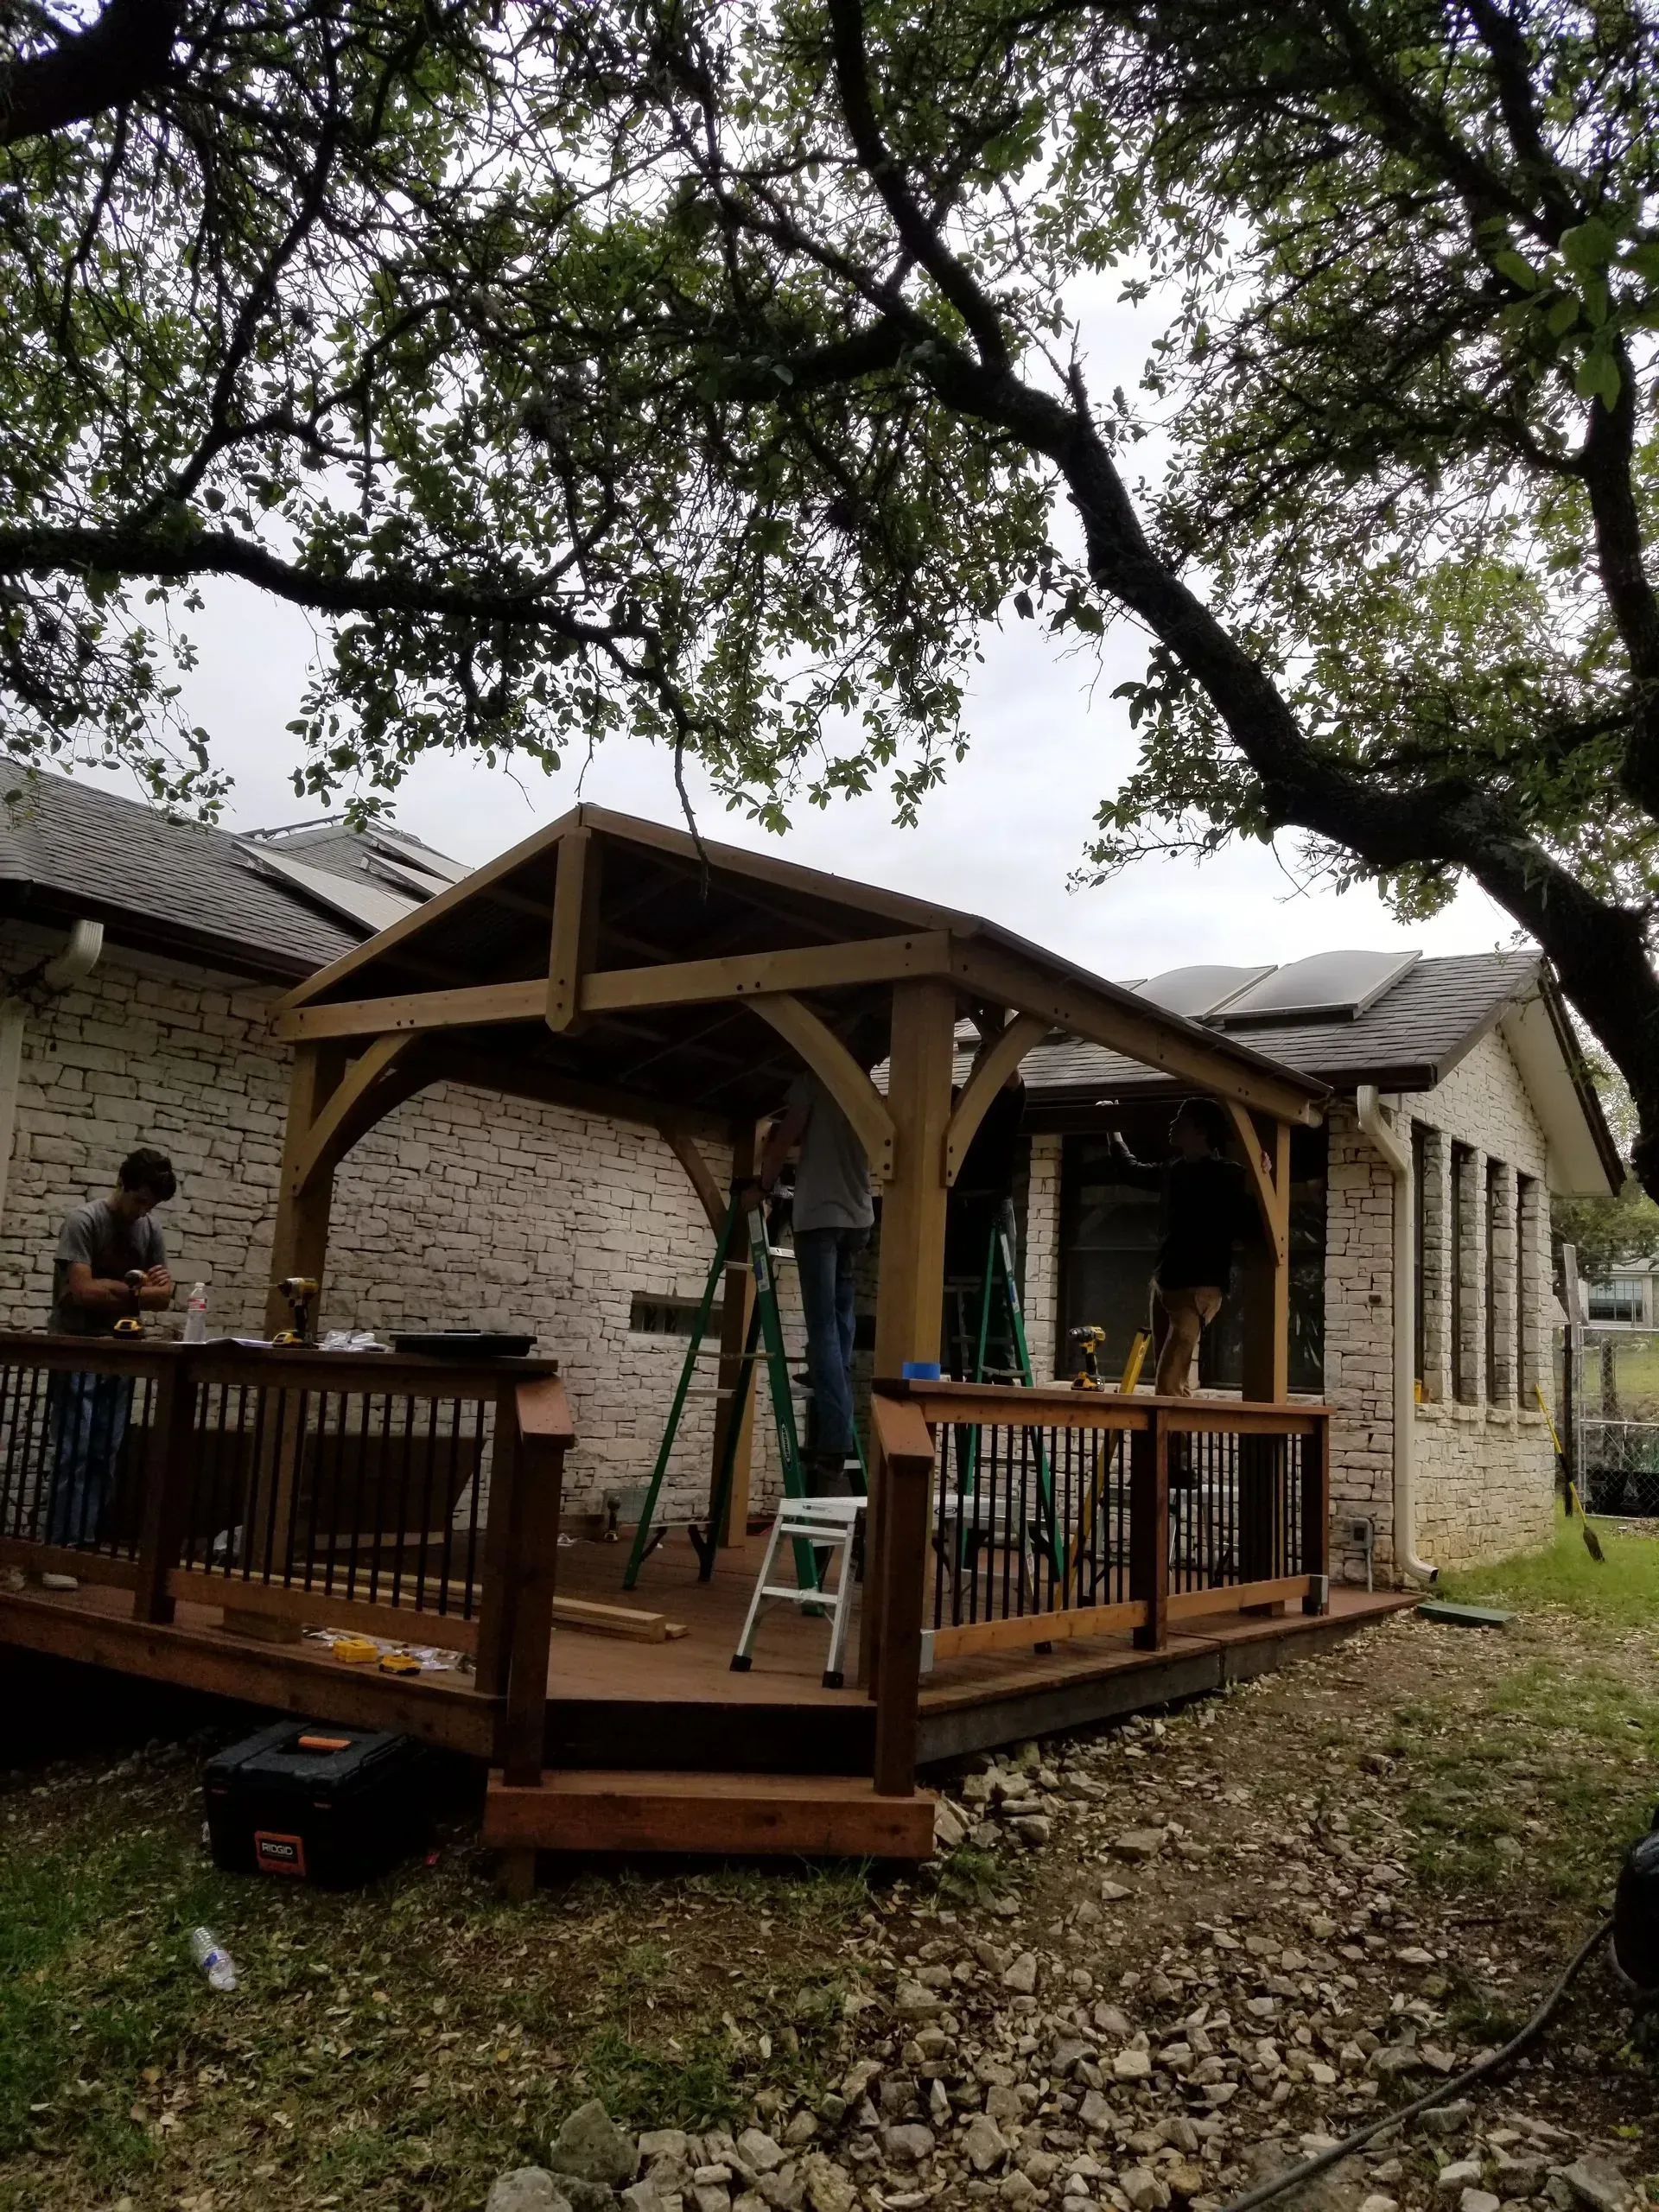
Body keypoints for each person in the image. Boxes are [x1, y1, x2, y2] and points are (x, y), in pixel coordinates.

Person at [41, 1147, 177, 1579]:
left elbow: (165, 1297)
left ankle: (85, 1544)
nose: (143, 1211)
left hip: (121, 1351)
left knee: (105, 1451)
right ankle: (60, 1550)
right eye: (139, 1200)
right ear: (121, 1184)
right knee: (74, 1452)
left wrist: (121, 1291)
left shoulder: (149, 1228)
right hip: (77, 1346)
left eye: (151, 1205)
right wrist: (137, 1289)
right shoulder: (84, 1221)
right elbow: (81, 1291)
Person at [749, 1069, 874, 1494]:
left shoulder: (811, 1081)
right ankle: (830, 1378)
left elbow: (784, 1140)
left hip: (819, 1217)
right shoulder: (865, 1088)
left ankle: (834, 1442)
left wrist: (763, 1186)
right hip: (858, 1217)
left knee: (822, 1327)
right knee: (839, 1319)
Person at [1109, 1101, 1253, 1397]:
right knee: (1166, 1377)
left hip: (1199, 1287)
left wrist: (1265, 1166)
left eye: (1181, 1120)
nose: (1173, 1124)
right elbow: (1130, 1171)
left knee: (1170, 1382)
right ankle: (1172, 1443)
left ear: (1200, 1131)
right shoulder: (1173, 1170)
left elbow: (1250, 1215)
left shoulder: (1229, 1173)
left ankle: (1173, 1443)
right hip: (1165, 1283)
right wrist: (1112, 1131)